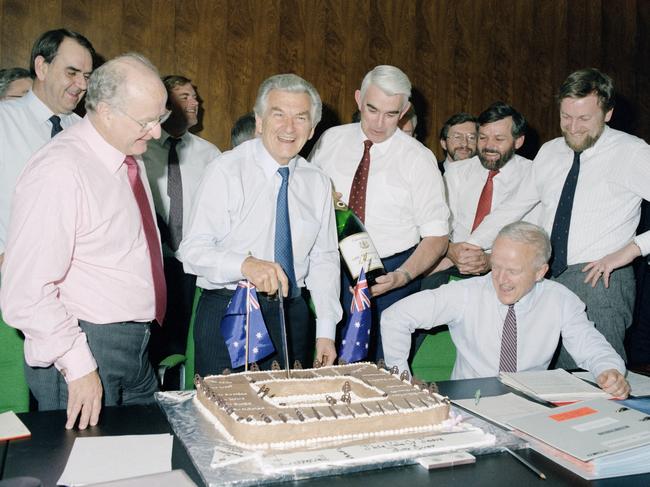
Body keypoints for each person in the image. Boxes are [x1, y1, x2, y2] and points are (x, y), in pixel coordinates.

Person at [1, 53, 169, 429]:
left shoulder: (129, 156)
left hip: (136, 347)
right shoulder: (60, 169)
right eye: (147, 121)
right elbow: (25, 292)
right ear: (106, 111)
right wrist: (78, 366)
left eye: (161, 118)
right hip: (85, 348)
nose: (157, 132)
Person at [466, 68, 650, 368]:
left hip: (599, 280)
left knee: (594, 378)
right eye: (566, 117)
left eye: (584, 119)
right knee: (544, 377)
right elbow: (514, 207)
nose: (573, 127)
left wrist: (629, 252)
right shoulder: (551, 152)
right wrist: (471, 246)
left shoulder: (632, 152)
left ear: (608, 113)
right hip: (548, 278)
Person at [179, 74, 342, 375]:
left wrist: (326, 332)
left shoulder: (317, 181)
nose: (289, 128)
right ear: (259, 121)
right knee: (225, 415)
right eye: (278, 114)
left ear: (312, 129)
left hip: (292, 315)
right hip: (231, 311)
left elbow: (324, 259)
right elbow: (192, 252)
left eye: (300, 118)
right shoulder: (225, 170)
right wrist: (245, 265)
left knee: (287, 414)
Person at [382, 222, 630, 398]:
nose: (501, 279)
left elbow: (593, 348)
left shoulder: (560, 300)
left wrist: (609, 371)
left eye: (513, 270)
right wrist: (401, 380)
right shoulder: (467, 293)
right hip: (471, 403)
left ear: (540, 272)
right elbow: (395, 317)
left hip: (531, 405)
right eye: (496, 267)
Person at [309, 65, 449, 360]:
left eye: (391, 114)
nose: (379, 123)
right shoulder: (330, 141)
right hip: (331, 270)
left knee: (383, 371)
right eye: (372, 109)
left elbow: (436, 236)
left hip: (391, 275)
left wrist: (403, 275)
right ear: (358, 99)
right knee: (328, 363)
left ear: (405, 110)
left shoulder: (419, 159)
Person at [142, 75, 221, 364]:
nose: (195, 102)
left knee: (186, 342)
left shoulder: (209, 154)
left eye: (194, 96)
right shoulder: (141, 148)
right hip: (150, 263)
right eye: (184, 97)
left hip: (191, 265)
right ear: (164, 105)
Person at [0, 29, 94, 270]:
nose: (82, 85)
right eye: (72, 73)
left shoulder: (89, 132)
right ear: (42, 67)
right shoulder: (4, 120)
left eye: (87, 76)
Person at [424, 102, 537, 288]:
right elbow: (440, 224)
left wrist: (490, 259)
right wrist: (452, 251)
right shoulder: (457, 172)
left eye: (499, 139)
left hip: (506, 269)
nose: (489, 146)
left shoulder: (532, 174)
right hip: (452, 265)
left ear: (518, 141)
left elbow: (533, 237)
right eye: (483, 137)